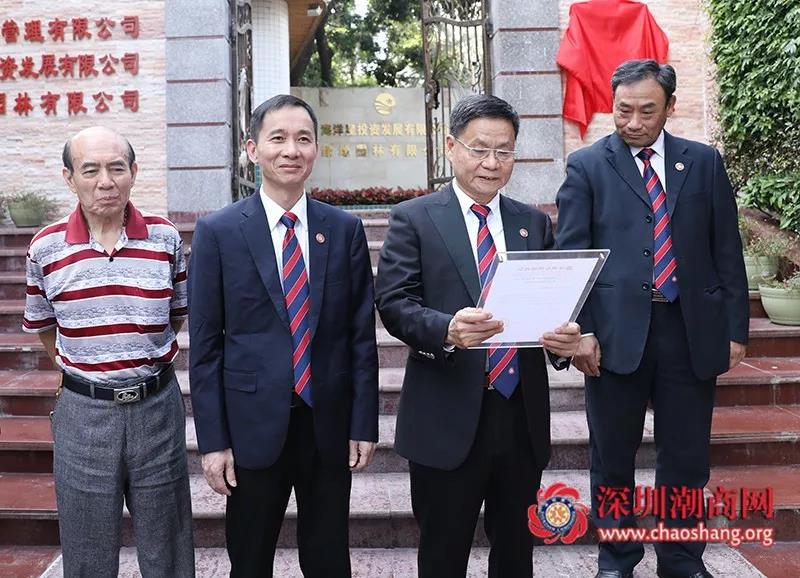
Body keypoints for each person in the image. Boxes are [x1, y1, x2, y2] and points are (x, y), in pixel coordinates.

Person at [555, 59, 749, 578]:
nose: (634, 122)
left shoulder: (703, 162)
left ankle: (681, 559)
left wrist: (735, 328)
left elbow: (726, 250)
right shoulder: (587, 166)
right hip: (615, 335)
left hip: (690, 330)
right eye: (623, 110)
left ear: (669, 107)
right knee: (612, 458)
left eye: (647, 110)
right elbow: (571, 254)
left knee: (685, 458)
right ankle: (617, 558)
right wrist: (582, 331)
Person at [375, 94, 581, 578]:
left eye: (504, 151)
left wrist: (564, 341)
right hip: (446, 416)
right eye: (479, 149)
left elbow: (549, 305)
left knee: (516, 554)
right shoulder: (415, 218)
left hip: (519, 417)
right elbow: (395, 304)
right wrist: (446, 329)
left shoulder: (532, 223)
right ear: (451, 147)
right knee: (443, 555)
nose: (491, 163)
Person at [188, 94, 379, 577]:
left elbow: (360, 336)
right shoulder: (218, 232)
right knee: (250, 560)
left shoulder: (344, 229)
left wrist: (363, 423)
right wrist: (213, 442)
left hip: (326, 424)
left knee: (329, 560)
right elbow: (205, 348)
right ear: (253, 149)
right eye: (278, 138)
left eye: (303, 139)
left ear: (316, 150)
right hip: (251, 428)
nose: (291, 150)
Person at [22, 126, 195, 576]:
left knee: (169, 549)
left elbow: (176, 315)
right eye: (91, 170)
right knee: (87, 554)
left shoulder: (165, 238)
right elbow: (44, 328)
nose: (106, 181)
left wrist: (137, 353)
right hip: (84, 413)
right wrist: (86, 370)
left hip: (157, 408)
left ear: (133, 172)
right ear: (69, 177)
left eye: (117, 168)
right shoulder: (45, 248)